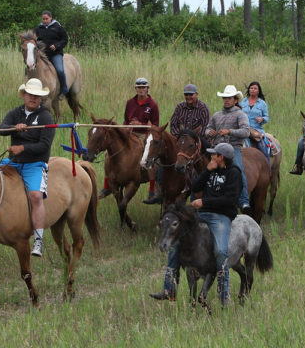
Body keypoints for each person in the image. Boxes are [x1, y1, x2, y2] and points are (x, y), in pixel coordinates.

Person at [0, 78, 55, 256]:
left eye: (37, 96)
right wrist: (14, 128)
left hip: (34, 164)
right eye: (30, 94)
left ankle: (38, 239)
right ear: (24, 95)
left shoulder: (45, 116)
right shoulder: (15, 113)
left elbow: (45, 145)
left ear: (41, 99)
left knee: (36, 196)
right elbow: (0, 129)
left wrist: (22, 148)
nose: (33, 98)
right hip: (13, 162)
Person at [149, 142, 240, 306]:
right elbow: (195, 187)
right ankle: (169, 289)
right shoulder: (211, 171)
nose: (211, 156)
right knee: (176, 245)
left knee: (220, 251)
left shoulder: (234, 174)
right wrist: (207, 171)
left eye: (214, 155)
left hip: (221, 216)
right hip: (202, 214)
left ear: (222, 157)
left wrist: (204, 201)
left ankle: (224, 295)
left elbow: (230, 200)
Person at [100, 77, 161, 201]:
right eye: (139, 87)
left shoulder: (153, 105)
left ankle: (152, 189)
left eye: (143, 87)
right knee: (109, 151)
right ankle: (107, 186)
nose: (141, 89)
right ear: (135, 88)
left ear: (147, 88)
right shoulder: (130, 102)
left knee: (148, 156)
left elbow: (155, 126)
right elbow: (126, 120)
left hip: (144, 134)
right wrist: (125, 128)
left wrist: (140, 125)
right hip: (129, 132)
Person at [205, 85, 251, 212]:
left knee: (238, 169)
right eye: (225, 98)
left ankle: (244, 201)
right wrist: (209, 133)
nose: (226, 100)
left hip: (232, 148)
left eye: (229, 98)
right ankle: (197, 196)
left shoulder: (240, 115)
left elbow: (246, 132)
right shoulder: (216, 115)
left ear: (235, 100)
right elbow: (207, 128)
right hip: (216, 148)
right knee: (201, 168)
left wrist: (229, 132)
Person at [35, 10, 69, 100]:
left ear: (51, 18)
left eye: (46, 19)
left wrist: (57, 45)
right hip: (43, 54)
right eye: (43, 19)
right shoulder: (39, 28)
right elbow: (35, 40)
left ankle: (64, 89)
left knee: (60, 70)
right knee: (31, 67)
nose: (45, 21)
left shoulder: (58, 27)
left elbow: (65, 39)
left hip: (55, 54)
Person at [239, 81, 270, 161]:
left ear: (258, 91)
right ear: (249, 90)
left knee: (262, 147)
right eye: (251, 88)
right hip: (244, 128)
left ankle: (267, 164)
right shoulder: (242, 102)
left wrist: (262, 119)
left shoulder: (262, 104)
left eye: (255, 88)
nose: (252, 90)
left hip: (257, 129)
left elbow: (267, 117)